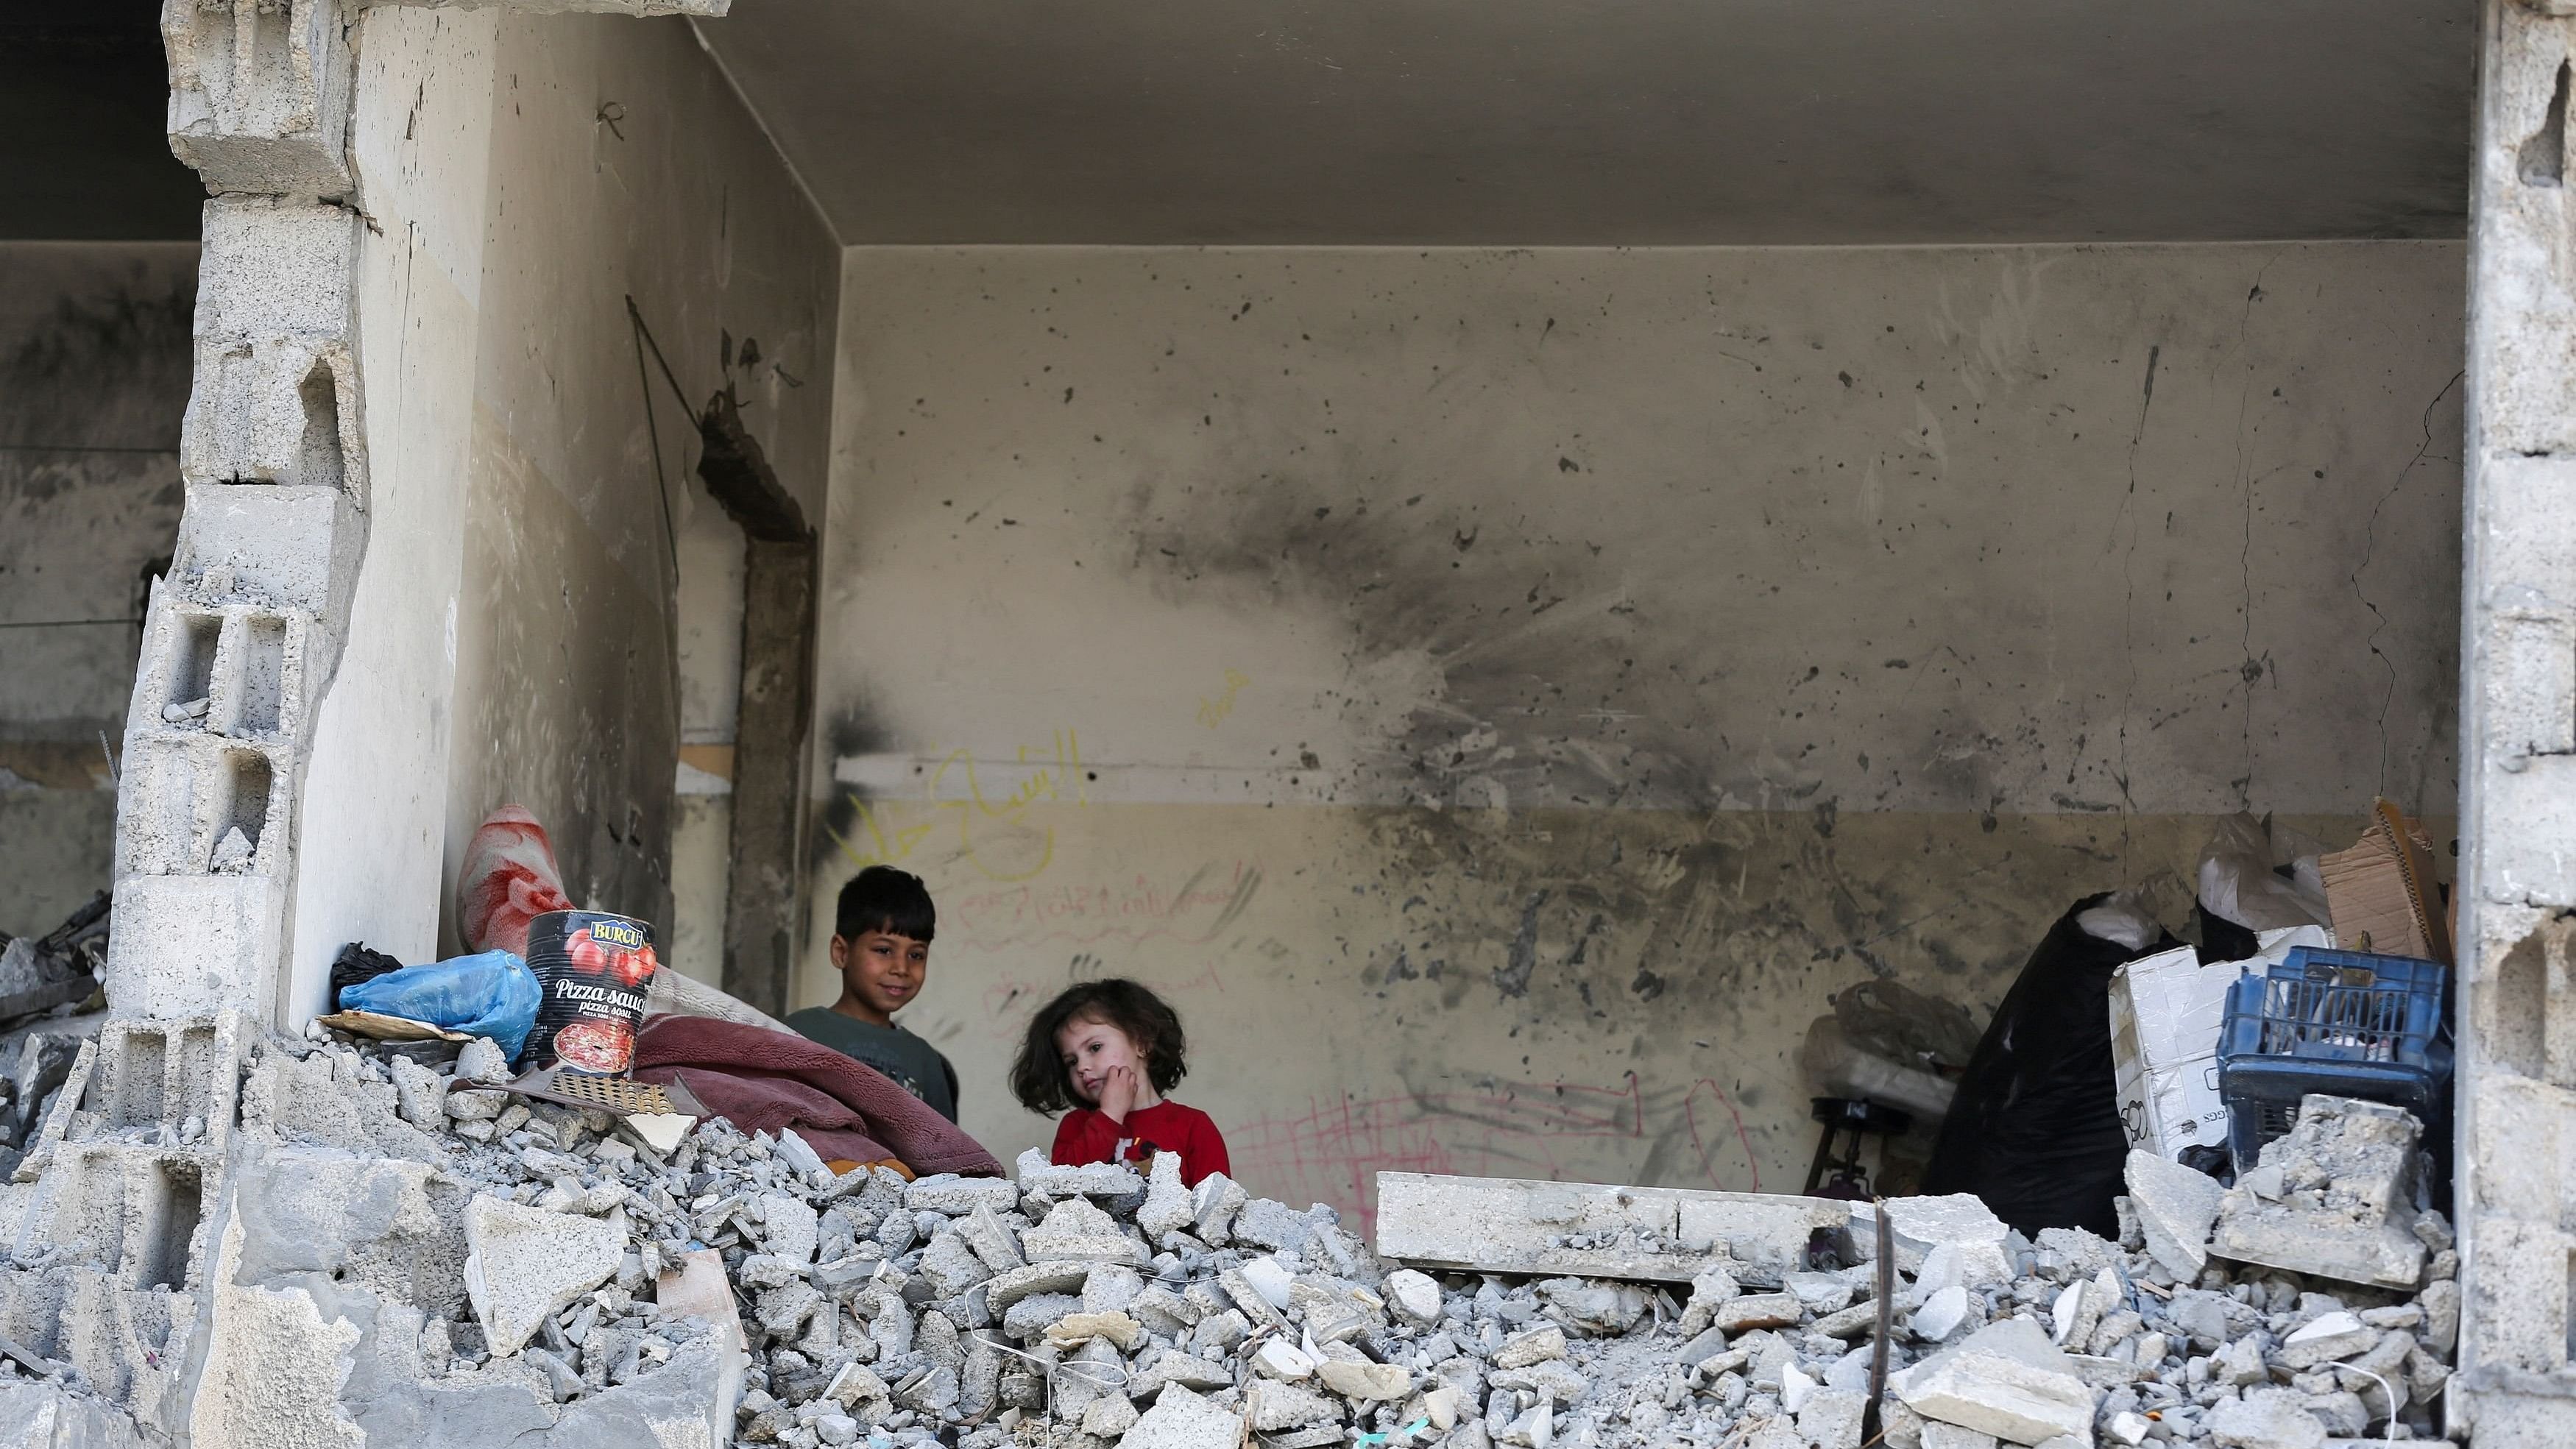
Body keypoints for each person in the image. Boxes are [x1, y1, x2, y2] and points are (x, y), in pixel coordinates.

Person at [1009, 978, 1231, 1186]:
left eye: (1095, 1047)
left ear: (1142, 1043)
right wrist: (1110, 1116)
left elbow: (1217, 1210)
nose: (1082, 1067)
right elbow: (1064, 1187)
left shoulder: (1193, 1126)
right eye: (1071, 1061)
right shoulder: (1076, 1126)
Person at [785, 867, 960, 1122]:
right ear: (841, 952)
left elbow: (946, 1152)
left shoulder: (927, 1061)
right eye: (884, 950)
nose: (901, 968)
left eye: (916, 955)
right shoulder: (799, 1032)